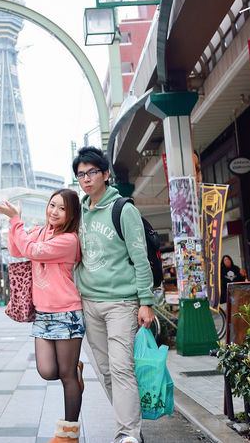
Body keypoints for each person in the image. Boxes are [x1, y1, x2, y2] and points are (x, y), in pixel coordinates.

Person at [73, 146, 155, 443]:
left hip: (121, 302)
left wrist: (146, 302)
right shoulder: (78, 213)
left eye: (92, 172)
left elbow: (140, 257)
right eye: (81, 174)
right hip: (89, 303)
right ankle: (130, 426)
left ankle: (128, 434)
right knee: (106, 372)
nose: (86, 179)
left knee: (122, 368)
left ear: (105, 174)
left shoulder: (123, 209)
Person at [0, 189, 85, 443]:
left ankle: (68, 434)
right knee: (46, 370)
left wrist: (16, 220)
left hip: (67, 313)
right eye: (52, 205)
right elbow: (16, 248)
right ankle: (76, 374)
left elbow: (32, 251)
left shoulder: (69, 240)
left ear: (71, 214)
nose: (54, 211)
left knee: (65, 376)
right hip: (43, 314)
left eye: (61, 208)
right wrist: (14, 220)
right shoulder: (40, 232)